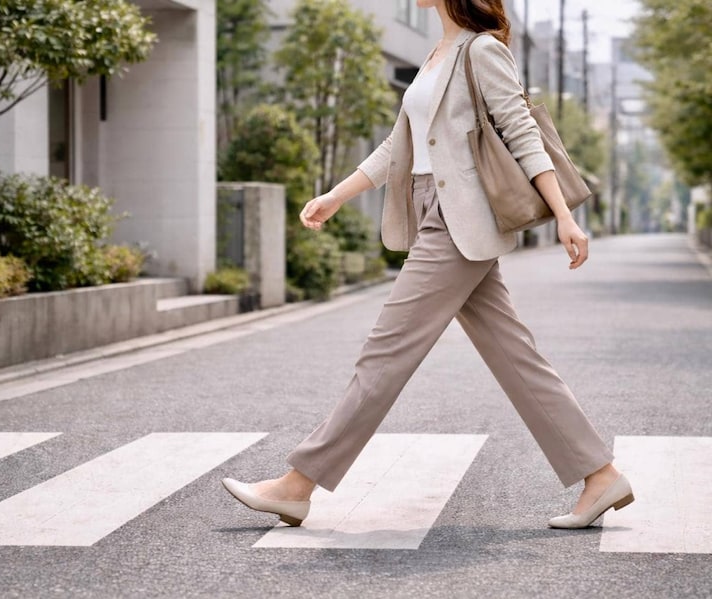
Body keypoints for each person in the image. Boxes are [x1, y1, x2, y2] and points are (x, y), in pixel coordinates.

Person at [222, 0, 634, 530]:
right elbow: (398, 146)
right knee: (516, 356)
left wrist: (564, 215)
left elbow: (521, 131)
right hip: (436, 215)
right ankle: (600, 475)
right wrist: (336, 195)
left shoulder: (481, 51)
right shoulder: (438, 52)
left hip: (455, 222)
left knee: (386, 351)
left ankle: (297, 485)